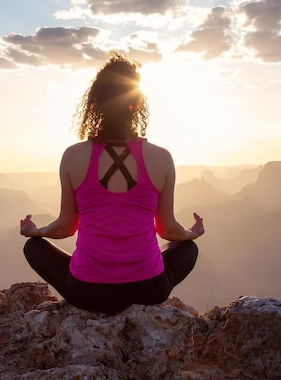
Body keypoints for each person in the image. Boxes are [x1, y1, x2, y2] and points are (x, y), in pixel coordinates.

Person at [20, 52, 204, 313]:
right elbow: (168, 230)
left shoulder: (73, 156)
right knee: (187, 249)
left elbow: (66, 226)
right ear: (138, 104)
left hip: (87, 292)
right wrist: (191, 234)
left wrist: (35, 232)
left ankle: (91, 269)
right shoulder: (161, 158)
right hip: (149, 289)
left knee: (33, 248)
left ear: (95, 104)